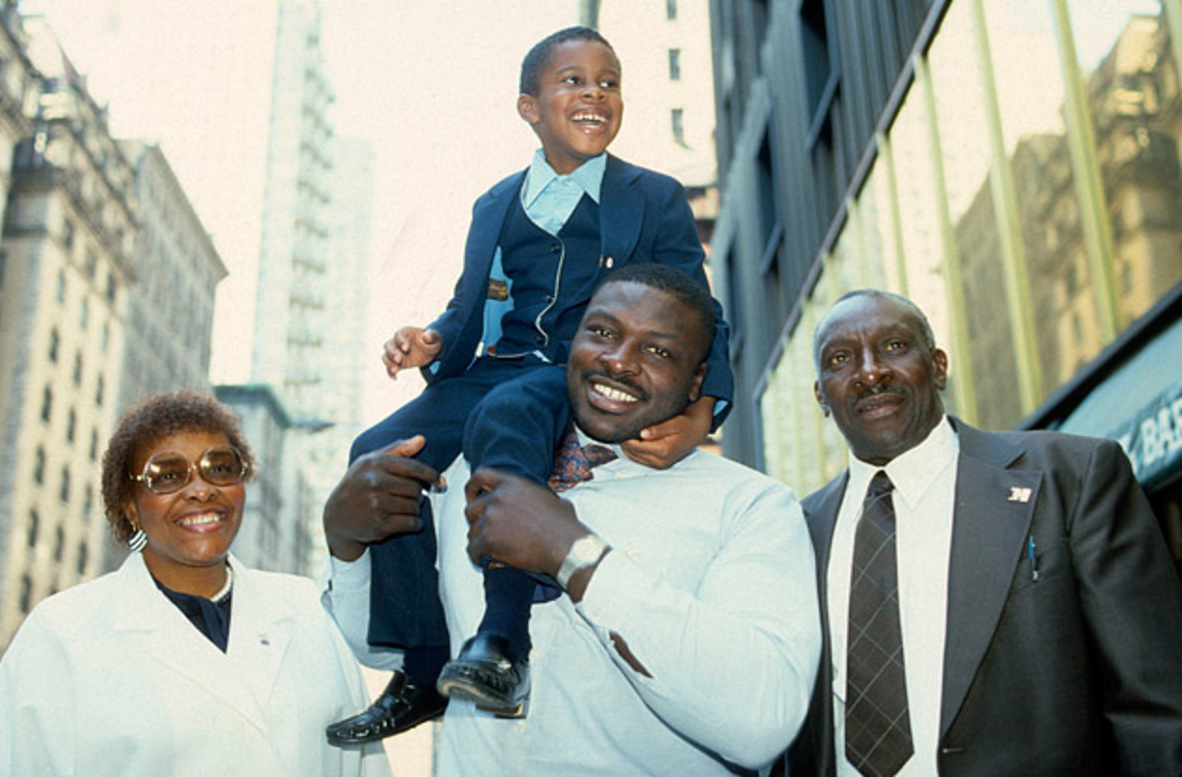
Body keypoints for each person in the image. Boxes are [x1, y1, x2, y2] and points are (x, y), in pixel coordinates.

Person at [327, 26, 734, 743]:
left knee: (508, 417)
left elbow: (702, 310)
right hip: (496, 362)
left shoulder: (654, 196)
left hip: (584, 371)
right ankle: (421, 665)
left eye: (607, 82)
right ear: (529, 107)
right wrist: (430, 339)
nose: (594, 94)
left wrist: (705, 407)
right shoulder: (495, 203)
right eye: (572, 81)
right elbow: (467, 307)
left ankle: (504, 639)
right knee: (379, 449)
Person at [323, 265, 819, 774]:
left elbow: (763, 721)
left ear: (697, 381)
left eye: (657, 350)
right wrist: (349, 547)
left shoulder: (750, 506)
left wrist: (573, 554)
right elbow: (386, 651)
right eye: (602, 333)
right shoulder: (463, 473)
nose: (619, 362)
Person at [781, 289, 1182, 776]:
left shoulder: (1071, 477)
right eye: (842, 359)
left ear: (938, 366)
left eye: (893, 347)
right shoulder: (795, 533)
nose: (870, 373)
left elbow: (1155, 706)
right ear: (821, 394)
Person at [0, 391, 389, 777]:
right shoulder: (60, 633)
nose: (200, 490)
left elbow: (363, 764)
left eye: (220, 467)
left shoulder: (308, 610)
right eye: (167, 475)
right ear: (130, 505)